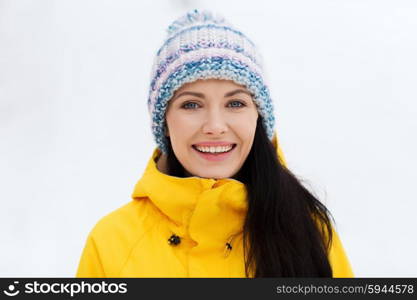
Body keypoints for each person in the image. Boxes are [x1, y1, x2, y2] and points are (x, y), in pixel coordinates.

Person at [76, 9, 354, 277]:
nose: (215, 127)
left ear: (258, 117)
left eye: (235, 103)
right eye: (191, 104)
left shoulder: (308, 229)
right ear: (165, 122)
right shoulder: (112, 242)